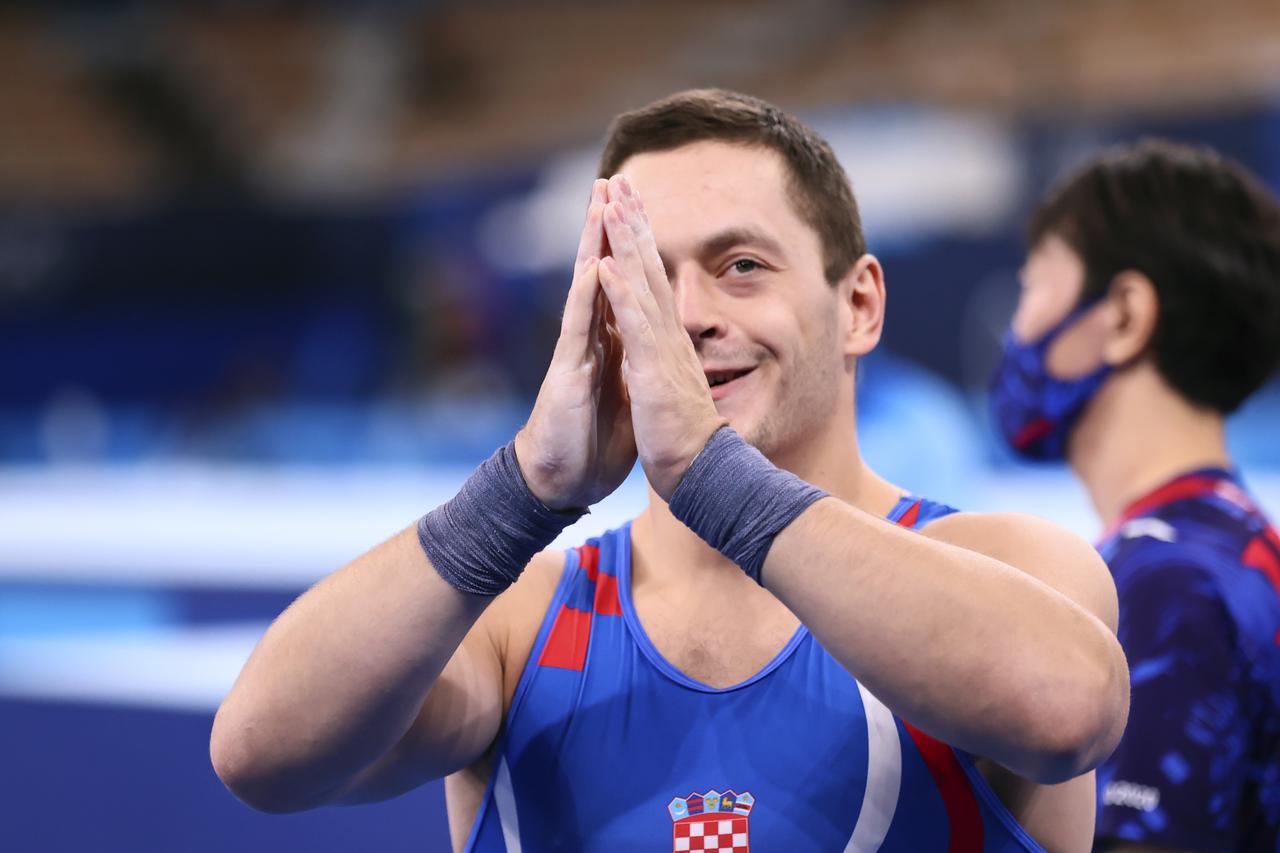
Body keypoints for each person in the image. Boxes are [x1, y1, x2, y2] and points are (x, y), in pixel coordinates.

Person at [211, 89, 1128, 852]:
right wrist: (522, 490)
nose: (686, 315)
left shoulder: (1009, 561)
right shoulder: (517, 624)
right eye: (642, 274)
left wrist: (714, 477)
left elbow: (1068, 709)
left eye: (740, 266)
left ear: (858, 305)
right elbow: (261, 752)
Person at [991, 138, 1280, 851]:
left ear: (1122, 315)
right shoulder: (1228, 545)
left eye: (1032, 287)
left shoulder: (1162, 582)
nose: (1014, 332)